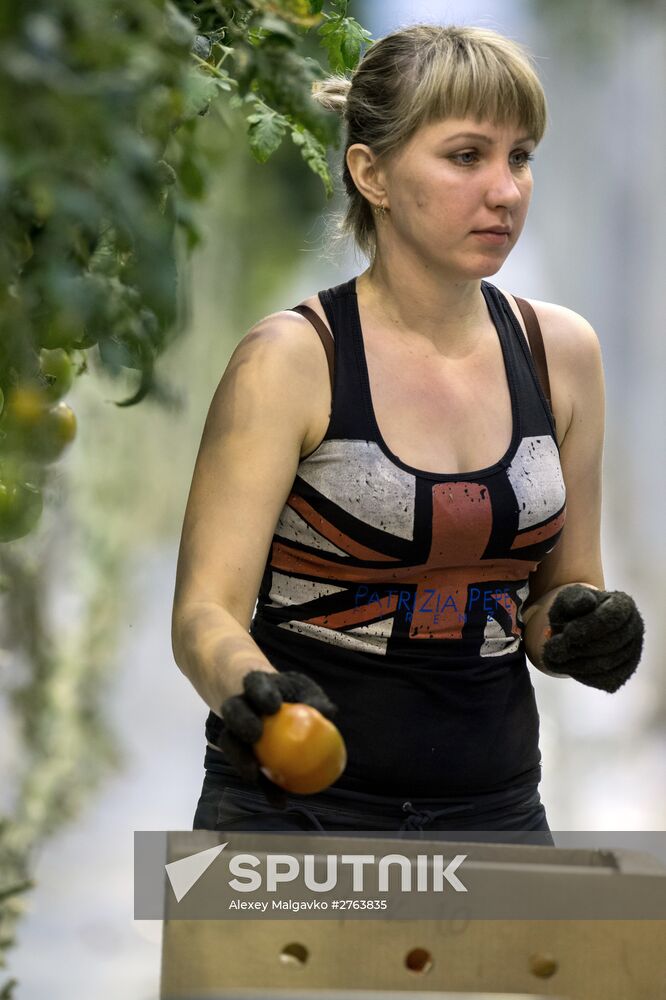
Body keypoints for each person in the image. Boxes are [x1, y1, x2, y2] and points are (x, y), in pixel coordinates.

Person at [171, 24, 644, 841]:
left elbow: (552, 600)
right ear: (372, 173)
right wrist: (252, 689)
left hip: (495, 816)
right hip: (289, 816)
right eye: (467, 157)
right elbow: (203, 612)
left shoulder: (562, 355)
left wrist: (586, 629)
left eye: (520, 156)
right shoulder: (291, 360)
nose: (506, 190)